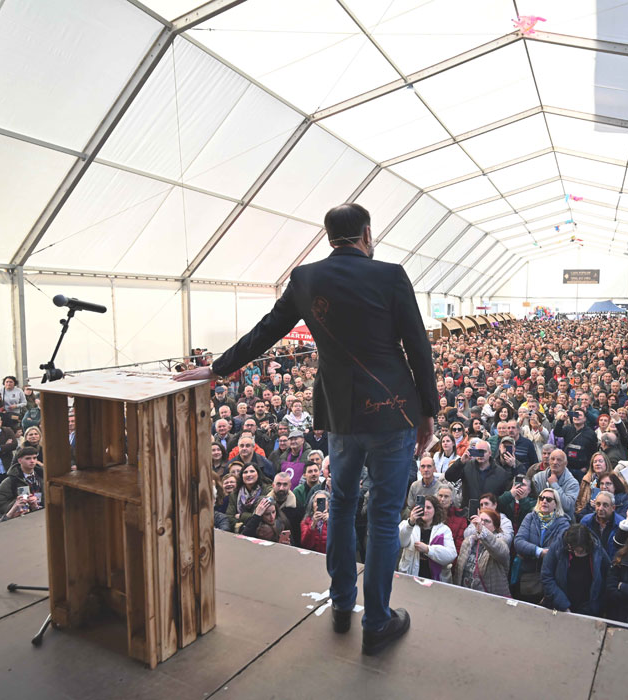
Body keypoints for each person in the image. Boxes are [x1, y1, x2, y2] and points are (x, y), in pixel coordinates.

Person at [177, 203, 438, 654]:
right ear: (367, 234)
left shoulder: (305, 278)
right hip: (393, 411)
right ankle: (376, 622)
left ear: (328, 236)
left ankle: (341, 605)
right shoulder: (391, 275)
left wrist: (217, 368)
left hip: (340, 415)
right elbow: (417, 345)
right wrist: (428, 411)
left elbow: (266, 331)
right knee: (381, 516)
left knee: (340, 504)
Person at [514, 488, 571, 602]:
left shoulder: (563, 523)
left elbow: (558, 548)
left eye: (549, 499)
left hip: (551, 576)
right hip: (528, 574)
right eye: (541, 498)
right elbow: (518, 541)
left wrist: (530, 551)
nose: (544, 501)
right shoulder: (530, 517)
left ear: (556, 504)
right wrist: (539, 551)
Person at [541, 523, 611, 616]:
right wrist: (563, 605)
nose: (577, 554)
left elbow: (608, 577)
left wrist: (594, 606)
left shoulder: (598, 551)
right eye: (573, 550)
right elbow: (546, 576)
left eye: (581, 551)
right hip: (560, 606)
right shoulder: (558, 548)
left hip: (588, 609)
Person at [454, 508, 511, 598]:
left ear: (495, 526)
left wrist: (482, 531)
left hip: (489, 597)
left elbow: (500, 551)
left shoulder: (501, 541)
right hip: (465, 594)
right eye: (480, 520)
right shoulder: (468, 541)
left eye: (486, 521)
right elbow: (459, 571)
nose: (482, 523)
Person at [397, 495, 456, 581]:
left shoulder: (444, 530)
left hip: (434, 579)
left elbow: (451, 555)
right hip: (410, 575)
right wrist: (411, 523)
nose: (425, 510)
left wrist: (428, 549)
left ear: (435, 510)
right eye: (422, 507)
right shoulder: (407, 524)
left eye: (428, 508)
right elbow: (401, 542)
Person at [0, 447, 44, 518]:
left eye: (34, 458)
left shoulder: (42, 476)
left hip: (42, 514)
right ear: (19, 460)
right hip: (21, 517)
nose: (32, 461)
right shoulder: (11, 480)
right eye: (28, 458)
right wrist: (17, 504)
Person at [530, 448, 579, 515]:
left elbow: (567, 506)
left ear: (565, 463)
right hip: (540, 517)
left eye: (559, 460)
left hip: (563, 520)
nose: (555, 462)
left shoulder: (573, 483)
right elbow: (533, 502)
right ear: (549, 461)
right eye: (552, 459)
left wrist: (554, 485)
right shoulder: (537, 478)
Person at [299, 490, 329, 554]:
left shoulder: (336, 520)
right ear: (312, 505)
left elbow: (341, 541)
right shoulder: (306, 521)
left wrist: (330, 523)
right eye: (316, 501)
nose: (319, 504)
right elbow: (305, 545)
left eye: (323, 501)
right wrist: (313, 525)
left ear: (329, 504)